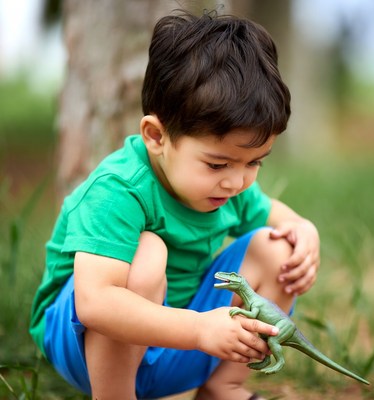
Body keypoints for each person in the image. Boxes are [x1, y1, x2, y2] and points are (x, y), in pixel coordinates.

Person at [30, 9, 320, 400]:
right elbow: (95, 303)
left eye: (254, 162)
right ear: (156, 136)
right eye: (217, 163)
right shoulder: (118, 190)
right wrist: (199, 330)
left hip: (180, 343)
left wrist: (304, 231)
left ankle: (223, 386)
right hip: (89, 348)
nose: (237, 181)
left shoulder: (227, 187)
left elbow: (278, 218)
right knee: (147, 252)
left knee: (279, 248)